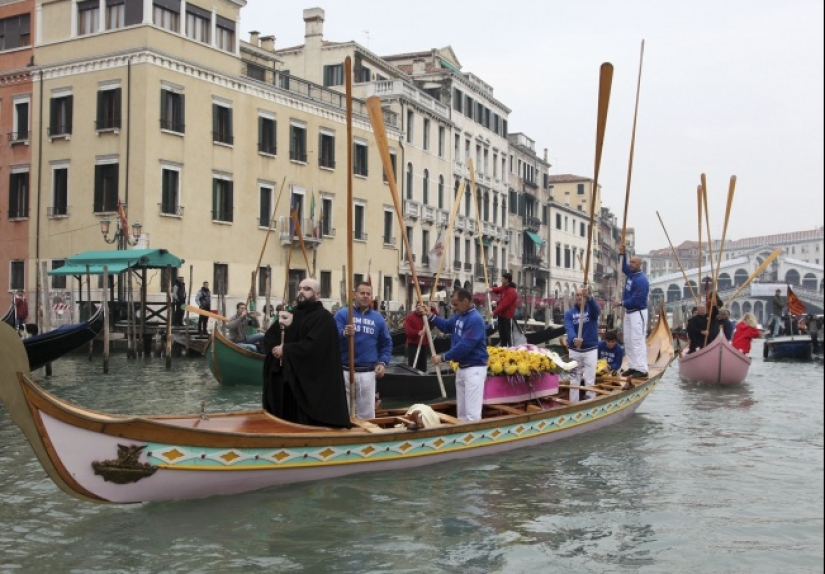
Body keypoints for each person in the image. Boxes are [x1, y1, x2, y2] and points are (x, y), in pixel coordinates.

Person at [266, 280, 350, 428]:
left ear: (317, 294)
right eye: (300, 289)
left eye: (307, 289)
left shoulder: (324, 318)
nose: (301, 292)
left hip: (310, 384)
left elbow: (314, 346)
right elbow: (271, 335)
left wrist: (285, 350)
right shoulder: (291, 315)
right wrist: (274, 347)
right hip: (289, 381)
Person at [420, 289, 489, 421]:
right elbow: (446, 326)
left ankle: (473, 438)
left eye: (456, 304)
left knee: (472, 414)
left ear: (466, 301)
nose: (454, 307)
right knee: (462, 413)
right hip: (462, 368)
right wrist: (430, 316)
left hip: (474, 369)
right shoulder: (460, 315)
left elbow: (465, 346)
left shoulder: (475, 320)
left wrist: (443, 357)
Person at [334, 281, 393, 420]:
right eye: (362, 293)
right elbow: (331, 337)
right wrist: (343, 333)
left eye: (368, 294)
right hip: (344, 371)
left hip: (367, 373)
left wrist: (383, 363)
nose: (365, 296)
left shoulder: (378, 318)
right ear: (355, 295)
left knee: (367, 415)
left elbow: (387, 343)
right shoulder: (342, 315)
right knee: (342, 413)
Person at [616, 244, 649, 378]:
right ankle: (632, 365)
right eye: (630, 261)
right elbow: (622, 267)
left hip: (637, 312)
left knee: (637, 340)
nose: (631, 264)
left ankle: (641, 368)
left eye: (634, 262)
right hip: (629, 313)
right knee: (628, 340)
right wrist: (622, 254)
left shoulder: (641, 280)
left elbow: (637, 300)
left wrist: (621, 303)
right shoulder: (631, 273)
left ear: (640, 265)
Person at [564, 287, 602, 400]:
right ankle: (573, 404)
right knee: (574, 380)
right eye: (577, 295)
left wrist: (589, 298)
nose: (579, 297)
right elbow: (569, 328)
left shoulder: (591, 310)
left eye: (581, 295)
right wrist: (574, 339)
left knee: (589, 380)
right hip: (575, 350)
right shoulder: (569, 314)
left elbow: (597, 311)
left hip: (590, 350)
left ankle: (590, 402)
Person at [404, 305, 438, 372]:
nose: (420, 309)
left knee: (423, 367)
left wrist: (432, 308)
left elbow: (435, 319)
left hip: (424, 345)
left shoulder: (425, 317)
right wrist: (417, 332)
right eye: (419, 306)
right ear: (416, 307)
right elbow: (408, 332)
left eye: (422, 307)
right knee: (413, 366)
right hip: (413, 345)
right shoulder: (410, 317)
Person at [489, 273, 517, 347]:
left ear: (506, 280)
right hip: (501, 316)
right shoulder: (504, 288)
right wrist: (491, 289)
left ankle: (511, 350)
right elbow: (499, 289)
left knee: (508, 336)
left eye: (502, 279)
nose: (501, 280)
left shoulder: (511, 291)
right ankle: (503, 349)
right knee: (502, 335)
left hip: (507, 317)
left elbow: (504, 304)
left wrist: (494, 312)